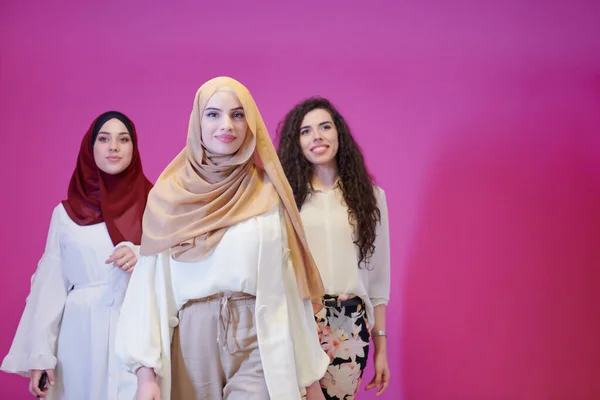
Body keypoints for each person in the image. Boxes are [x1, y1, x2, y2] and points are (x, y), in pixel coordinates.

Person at [115, 77, 329, 400]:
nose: (226, 125)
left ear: (250, 124)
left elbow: (286, 286)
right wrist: (147, 376)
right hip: (189, 340)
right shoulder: (169, 197)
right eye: (213, 114)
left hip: (257, 335)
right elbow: (150, 286)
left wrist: (310, 379)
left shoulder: (268, 194)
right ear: (197, 122)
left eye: (238, 115)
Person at [1, 111, 153, 399]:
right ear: (90, 147)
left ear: (134, 148)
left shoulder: (155, 205)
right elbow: (50, 286)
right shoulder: (65, 215)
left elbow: (178, 268)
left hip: (136, 331)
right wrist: (41, 356)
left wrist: (142, 258)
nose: (114, 147)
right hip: (80, 335)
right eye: (104, 138)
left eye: (123, 139)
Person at [277, 97, 391, 398]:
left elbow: (378, 278)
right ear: (296, 143)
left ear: (338, 134)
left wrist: (381, 346)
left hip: (349, 321)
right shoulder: (285, 199)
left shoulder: (371, 198)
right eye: (306, 131)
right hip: (298, 315)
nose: (317, 136)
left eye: (325, 127)